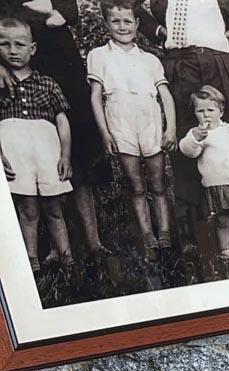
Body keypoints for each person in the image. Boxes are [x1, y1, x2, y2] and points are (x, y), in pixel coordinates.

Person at [136, 0, 229, 268]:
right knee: (188, 148)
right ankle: (199, 248)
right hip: (179, 64)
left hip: (221, 62)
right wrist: (159, 31)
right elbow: (129, 6)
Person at [0, 0, 112, 260]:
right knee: (37, 151)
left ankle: (93, 243)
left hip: (62, 62)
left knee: (80, 153)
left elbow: (68, 13)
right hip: (19, 61)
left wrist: (50, 12)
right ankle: (52, 246)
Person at [87, 0, 176, 263]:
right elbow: (95, 97)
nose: (122, 26)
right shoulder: (99, 55)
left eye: (128, 21)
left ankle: (165, 233)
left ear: (137, 24)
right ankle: (147, 234)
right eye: (116, 21)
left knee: (158, 183)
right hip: (120, 120)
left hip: (148, 119)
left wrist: (171, 129)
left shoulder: (149, 59)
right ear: (106, 23)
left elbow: (165, 95)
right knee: (135, 184)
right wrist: (105, 133)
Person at [0, 14, 73, 274]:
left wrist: (65, 155)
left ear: (32, 49)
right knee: (27, 208)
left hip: (46, 152)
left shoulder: (47, 83)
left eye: (19, 45)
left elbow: (62, 121)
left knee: (54, 207)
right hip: (15, 152)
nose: (12, 51)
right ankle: (31, 261)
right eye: (4, 44)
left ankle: (67, 258)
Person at [179, 84, 229, 271]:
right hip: (216, 188)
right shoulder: (198, 134)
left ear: (220, 111)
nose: (206, 115)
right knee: (221, 221)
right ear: (195, 113)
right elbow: (188, 151)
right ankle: (226, 254)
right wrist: (195, 138)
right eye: (200, 110)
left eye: (211, 110)